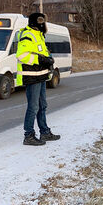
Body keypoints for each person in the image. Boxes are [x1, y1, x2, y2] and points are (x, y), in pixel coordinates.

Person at [16, 12, 60, 146]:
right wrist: (40, 59)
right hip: (32, 76)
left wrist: (49, 60)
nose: (43, 24)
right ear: (34, 22)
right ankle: (28, 135)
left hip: (40, 75)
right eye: (40, 21)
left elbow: (43, 52)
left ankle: (44, 132)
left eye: (43, 21)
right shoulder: (27, 35)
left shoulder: (39, 36)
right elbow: (21, 55)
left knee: (42, 106)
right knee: (33, 107)